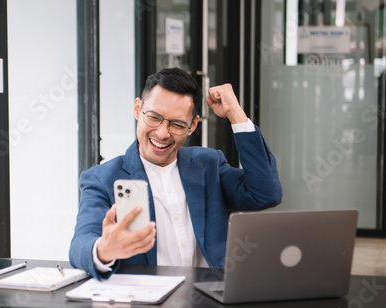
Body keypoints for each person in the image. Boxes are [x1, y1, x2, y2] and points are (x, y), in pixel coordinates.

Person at [69, 67, 282, 280]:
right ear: (137, 109)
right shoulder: (102, 179)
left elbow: (265, 193)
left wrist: (236, 114)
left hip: (209, 300)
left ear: (192, 126)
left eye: (177, 124)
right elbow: (80, 246)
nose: (162, 133)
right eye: (154, 117)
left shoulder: (208, 165)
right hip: (145, 303)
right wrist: (104, 250)